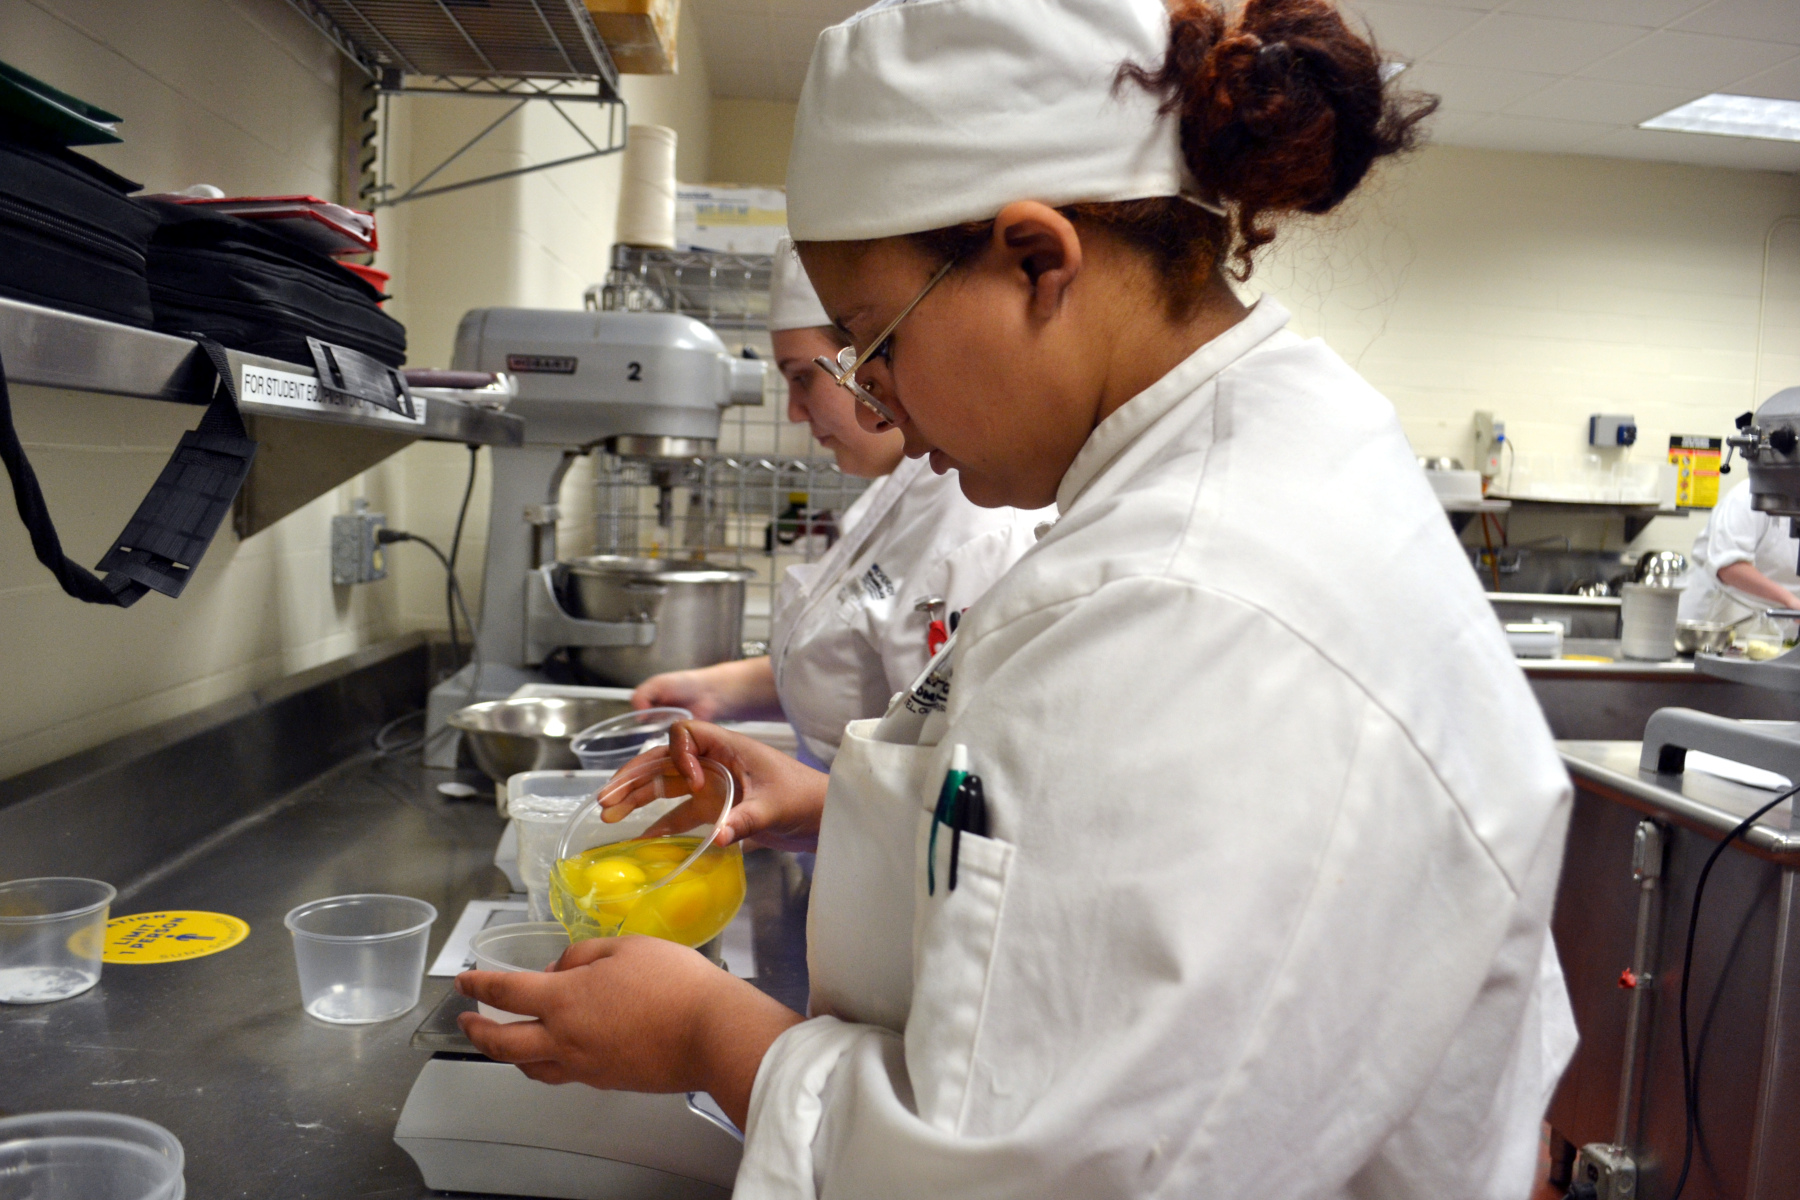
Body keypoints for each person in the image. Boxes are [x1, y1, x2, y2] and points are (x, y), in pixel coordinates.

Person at [456, 2, 1577, 1196]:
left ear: (1039, 262)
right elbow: (1082, 858)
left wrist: (703, 1035)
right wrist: (849, 811)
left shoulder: (1195, 599)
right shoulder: (1235, 457)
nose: (870, 404)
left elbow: (1046, 1175)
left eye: (870, 343)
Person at [631, 239, 1047, 767]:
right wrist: (714, 689)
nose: (795, 413)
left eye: (804, 376)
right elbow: (853, 659)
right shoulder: (896, 494)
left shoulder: (982, 526)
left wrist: (797, 811)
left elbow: (957, 777)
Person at [1678, 478, 1800, 620]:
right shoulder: (1749, 496)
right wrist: (1789, 600)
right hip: (1721, 618)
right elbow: (1729, 567)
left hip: (1779, 624)